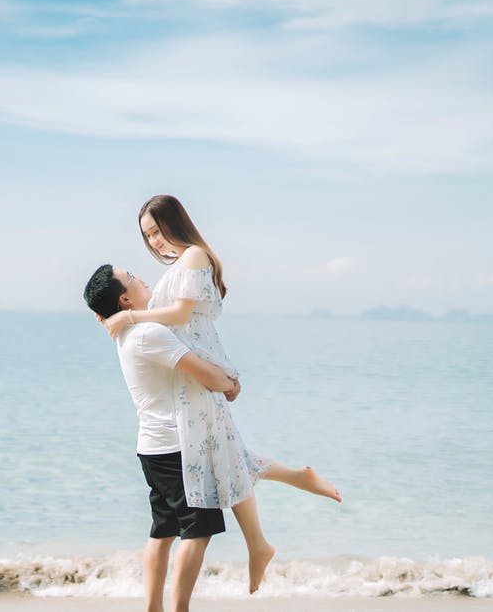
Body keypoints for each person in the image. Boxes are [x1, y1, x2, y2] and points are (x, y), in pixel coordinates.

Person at [103, 195, 342, 594]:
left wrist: (129, 315)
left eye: (158, 231)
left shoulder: (195, 255)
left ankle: (263, 539)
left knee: (229, 459)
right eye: (148, 237)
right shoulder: (180, 265)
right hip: (192, 381)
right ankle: (280, 509)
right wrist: (110, 314)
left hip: (201, 376)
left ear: (175, 223)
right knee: (231, 457)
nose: (156, 242)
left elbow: (179, 315)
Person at [84, 263, 240, 612]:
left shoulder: (128, 332)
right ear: (125, 298)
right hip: (177, 447)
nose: (142, 278)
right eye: (133, 278)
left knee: (163, 530)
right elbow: (206, 376)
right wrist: (229, 383)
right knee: (199, 531)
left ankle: (152, 608)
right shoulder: (147, 334)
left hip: (153, 448)